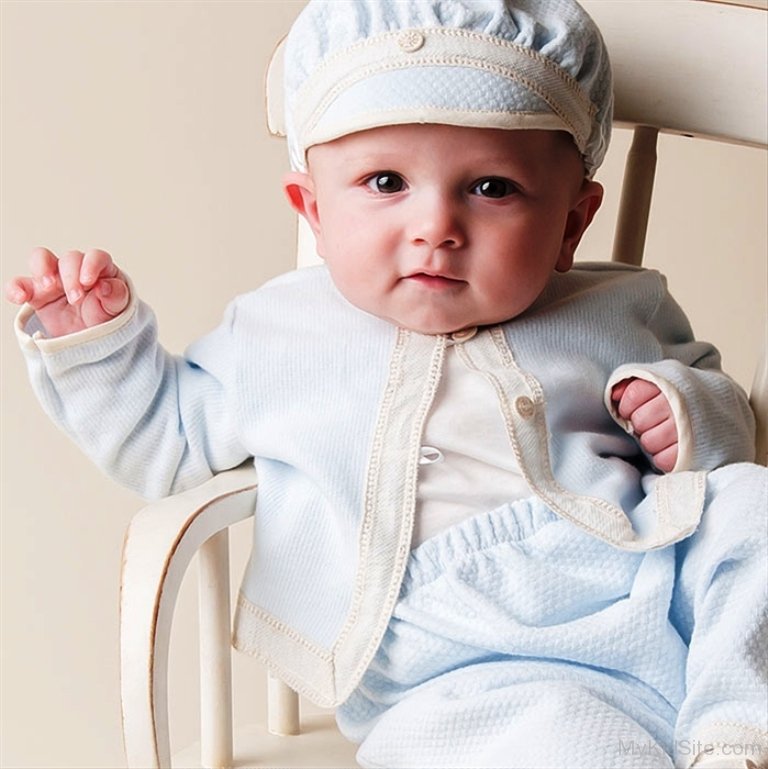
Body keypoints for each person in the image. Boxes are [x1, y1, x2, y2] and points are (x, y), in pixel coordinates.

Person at [6, 1, 766, 767]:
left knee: (753, 508)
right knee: (556, 740)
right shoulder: (276, 333)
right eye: (385, 181)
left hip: (647, 590)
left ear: (572, 221)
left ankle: (735, 730)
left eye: (493, 188)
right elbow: (165, 442)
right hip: (462, 664)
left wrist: (682, 412)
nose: (435, 224)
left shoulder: (620, 306)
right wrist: (97, 345)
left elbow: (726, 426)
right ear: (313, 210)